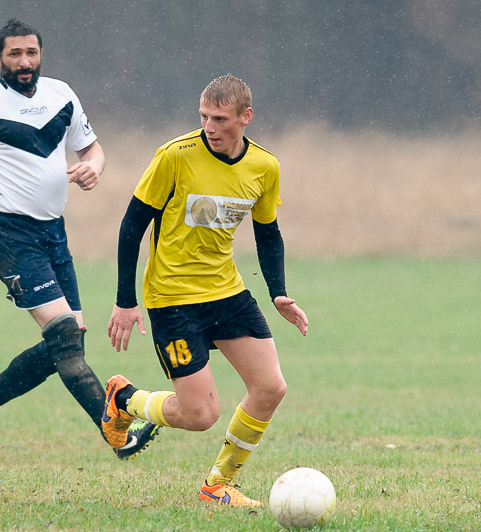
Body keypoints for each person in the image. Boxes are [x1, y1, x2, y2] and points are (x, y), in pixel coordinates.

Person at [0, 18, 158, 461]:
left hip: (53, 232)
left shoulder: (62, 94)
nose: (24, 62)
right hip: (7, 234)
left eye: (31, 53)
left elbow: (91, 148)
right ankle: (117, 432)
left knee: (69, 338)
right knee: (62, 333)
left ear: (41, 55)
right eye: (15, 54)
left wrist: (95, 165)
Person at [101, 74, 309, 506]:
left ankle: (217, 486)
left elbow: (268, 234)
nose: (209, 127)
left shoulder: (264, 167)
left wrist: (278, 293)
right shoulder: (175, 156)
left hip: (228, 293)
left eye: (220, 119)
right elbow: (131, 226)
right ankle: (124, 399)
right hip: (173, 300)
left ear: (245, 118)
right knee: (200, 416)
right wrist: (125, 300)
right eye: (203, 117)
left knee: (271, 387)